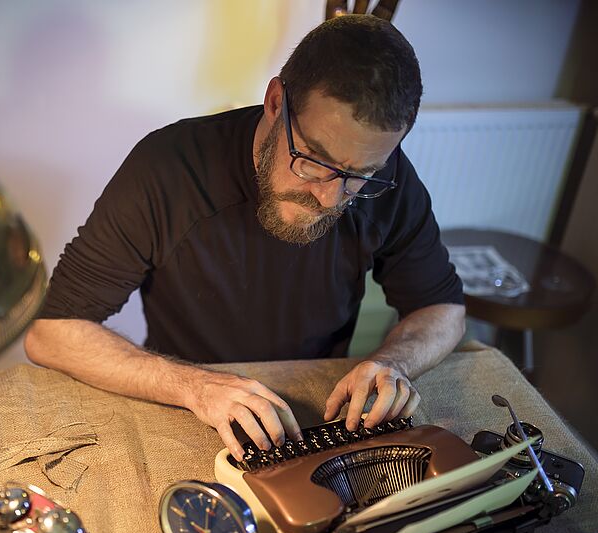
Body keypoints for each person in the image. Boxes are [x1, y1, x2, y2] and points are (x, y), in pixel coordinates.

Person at [24, 15, 465, 461]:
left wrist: (393, 362)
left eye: (359, 176)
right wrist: (195, 385)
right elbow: (52, 331)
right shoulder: (168, 169)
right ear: (276, 101)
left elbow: (443, 309)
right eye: (313, 160)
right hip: (191, 404)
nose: (331, 198)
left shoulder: (389, 180)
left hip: (321, 406)